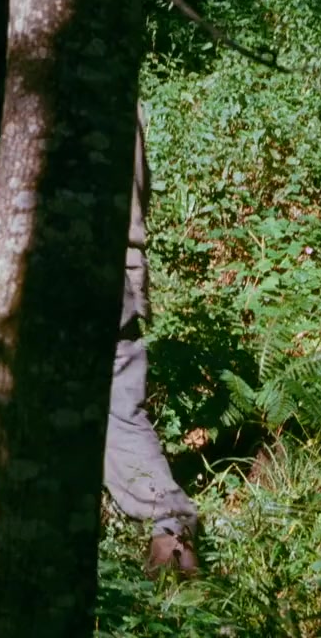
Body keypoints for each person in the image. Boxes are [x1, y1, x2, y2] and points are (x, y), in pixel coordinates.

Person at [103, 104, 199, 577]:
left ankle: (171, 536)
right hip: (121, 265)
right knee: (117, 409)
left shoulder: (72, 83)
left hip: (85, 268)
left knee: (115, 411)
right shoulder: (121, 92)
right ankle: (171, 532)